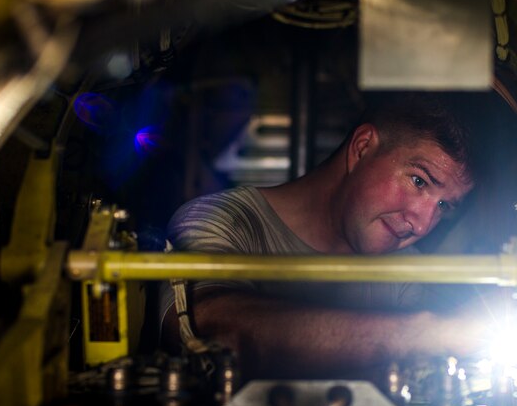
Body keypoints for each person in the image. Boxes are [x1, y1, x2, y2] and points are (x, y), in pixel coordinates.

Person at [158, 93, 485, 378]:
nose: (422, 224)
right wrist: (420, 334)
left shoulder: (406, 272)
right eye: (419, 181)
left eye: (443, 205)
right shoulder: (222, 221)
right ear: (362, 148)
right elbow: (212, 333)